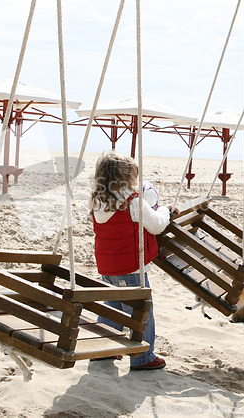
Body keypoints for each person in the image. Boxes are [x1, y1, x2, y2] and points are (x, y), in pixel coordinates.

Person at [88, 151, 174, 370]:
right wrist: (166, 210)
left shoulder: (98, 199)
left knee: (113, 307)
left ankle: (102, 349)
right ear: (127, 176)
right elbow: (155, 225)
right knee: (140, 310)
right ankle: (143, 357)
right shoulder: (132, 201)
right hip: (130, 267)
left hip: (108, 266)